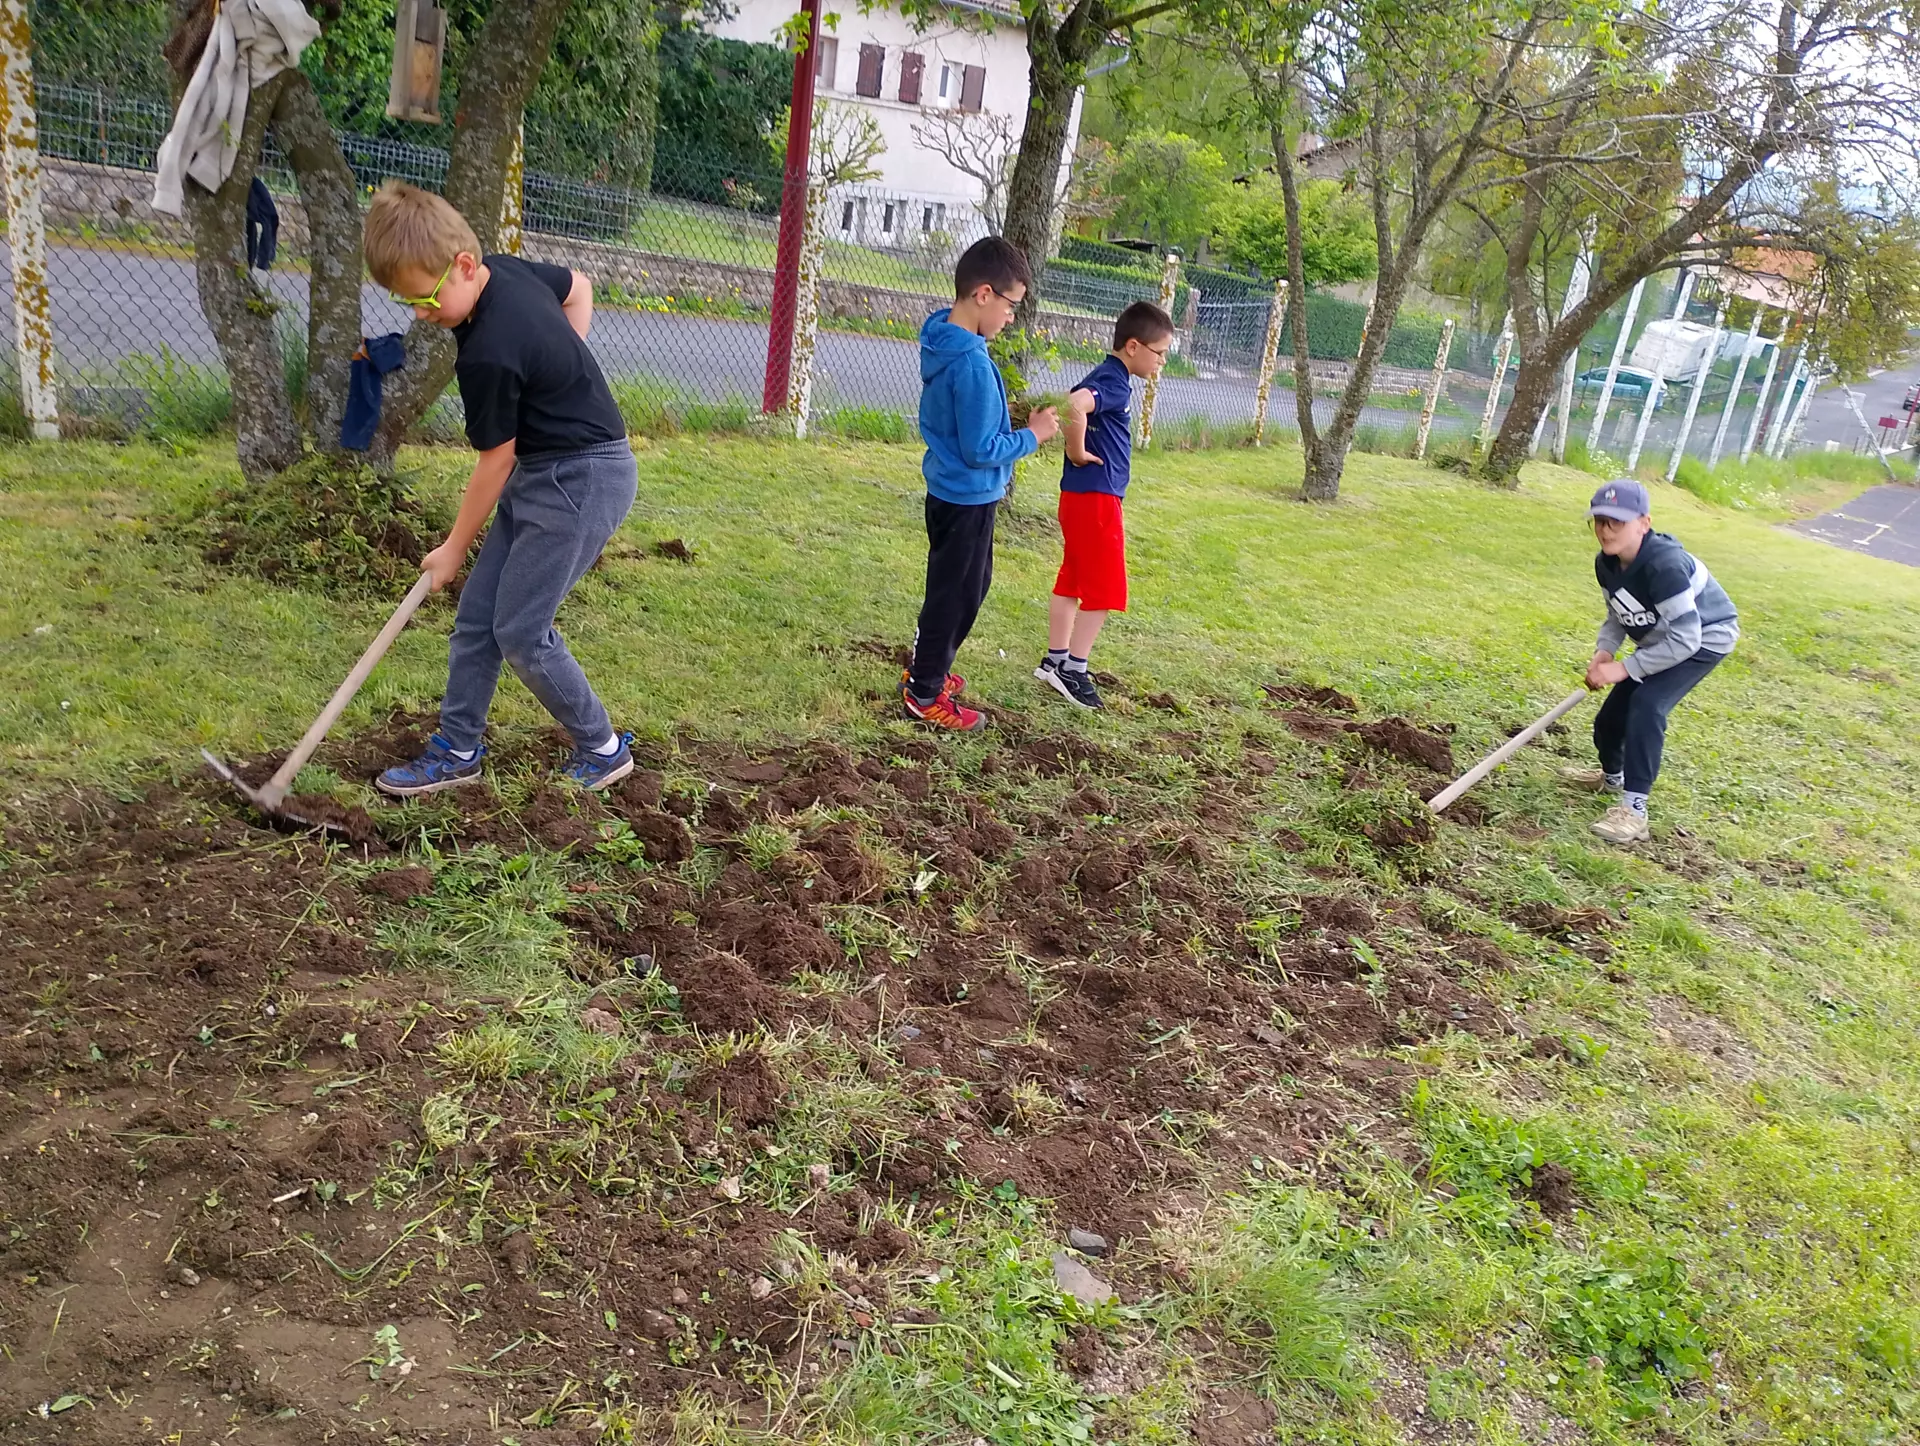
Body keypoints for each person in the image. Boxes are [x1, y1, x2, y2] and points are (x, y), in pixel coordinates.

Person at [360, 181, 639, 796]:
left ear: (463, 264)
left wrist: (455, 546)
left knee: (520, 629)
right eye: (406, 301)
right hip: (547, 469)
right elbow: (579, 288)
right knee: (477, 619)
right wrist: (561, 369)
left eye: (427, 298)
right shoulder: (504, 272)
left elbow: (494, 460)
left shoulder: (486, 351)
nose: (420, 314)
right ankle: (459, 749)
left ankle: (604, 747)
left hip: (582, 478)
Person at [901, 236, 1060, 730]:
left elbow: (969, 425)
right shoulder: (969, 362)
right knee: (955, 594)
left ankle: (932, 667)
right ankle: (924, 692)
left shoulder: (943, 337)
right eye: (1012, 305)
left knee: (968, 585)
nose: (1012, 316)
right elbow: (979, 450)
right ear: (984, 295)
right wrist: (1032, 436)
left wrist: (1007, 420)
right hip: (966, 496)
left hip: (957, 493)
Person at [1563, 480, 1739, 843]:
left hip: (1704, 640)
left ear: (1644, 522)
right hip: (1664, 640)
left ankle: (1634, 811)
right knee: (1610, 720)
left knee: (1647, 705)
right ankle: (1612, 779)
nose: (1605, 529)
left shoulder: (1665, 566)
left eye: (1617, 522)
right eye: (1599, 520)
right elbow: (1618, 614)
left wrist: (1627, 668)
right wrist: (1605, 652)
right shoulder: (1606, 563)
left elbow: (1686, 639)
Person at [1035, 300, 1174, 710]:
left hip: (1077, 496)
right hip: (1097, 498)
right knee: (1105, 589)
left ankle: (1054, 660)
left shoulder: (1104, 374)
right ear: (1133, 346)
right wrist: (1077, 451)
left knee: (1072, 580)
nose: (1162, 362)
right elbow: (1075, 404)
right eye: (1159, 352)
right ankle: (1073, 671)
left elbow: (1070, 398)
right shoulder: (1114, 382)